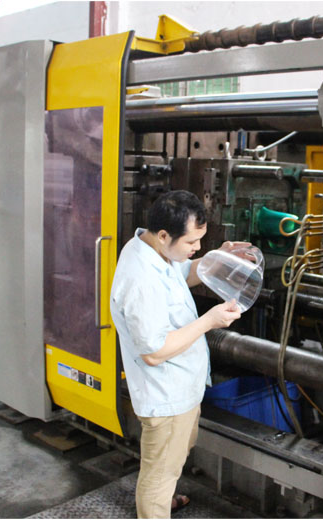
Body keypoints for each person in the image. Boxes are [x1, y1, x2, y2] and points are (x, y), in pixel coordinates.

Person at [110, 190, 245, 519]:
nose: (197, 248)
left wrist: (219, 258)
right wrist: (209, 321)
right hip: (165, 395)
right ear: (163, 235)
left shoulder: (152, 248)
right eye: (192, 242)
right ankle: (154, 509)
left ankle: (161, 500)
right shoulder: (141, 280)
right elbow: (154, 353)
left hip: (181, 388)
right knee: (159, 475)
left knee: (169, 463)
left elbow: (184, 272)